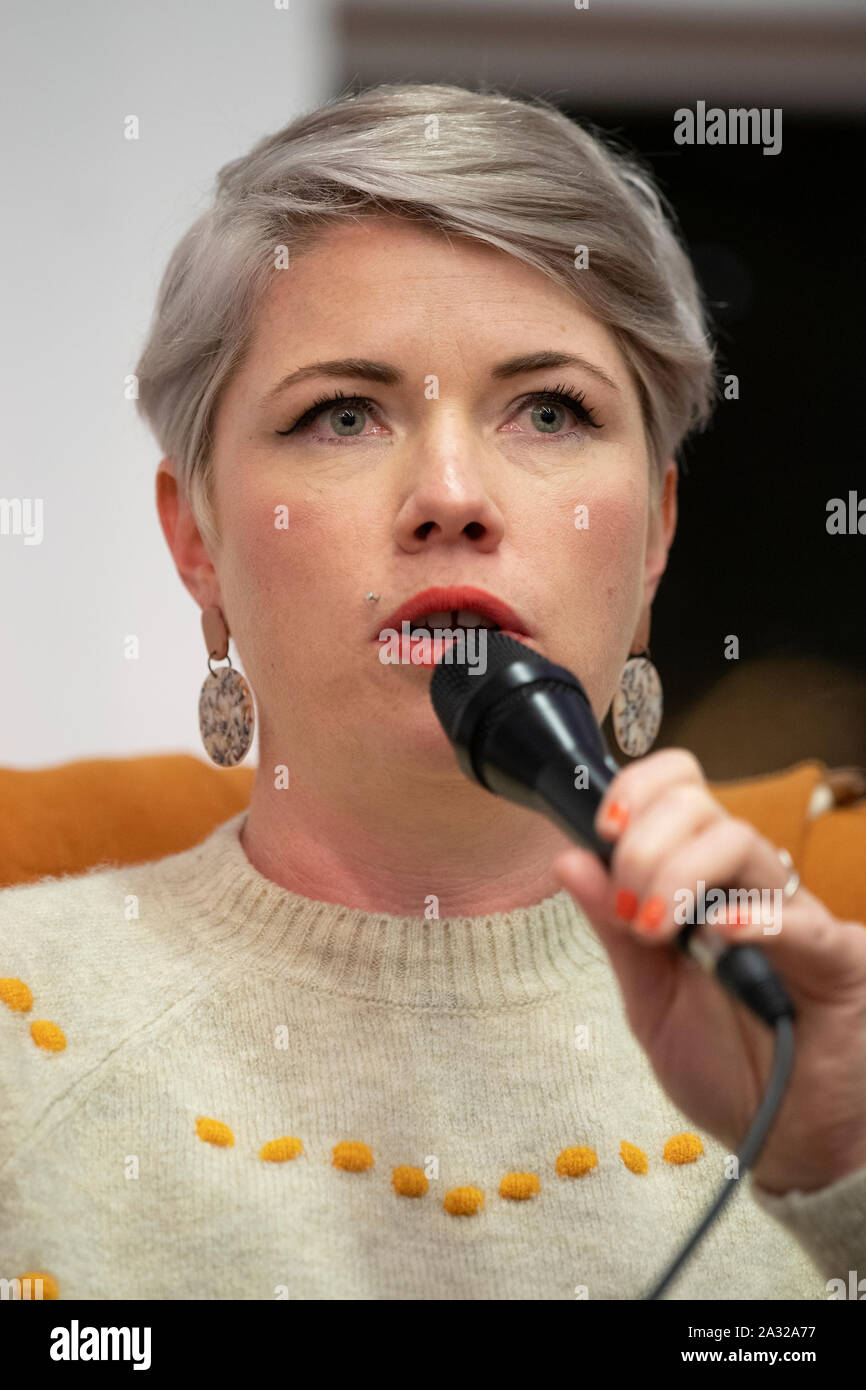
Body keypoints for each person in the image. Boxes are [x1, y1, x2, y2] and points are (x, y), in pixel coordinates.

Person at [2, 82, 864, 1302]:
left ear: (655, 533)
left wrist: (836, 1174)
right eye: (342, 414)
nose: (450, 492)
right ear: (196, 539)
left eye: (549, 411)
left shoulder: (822, 1033)